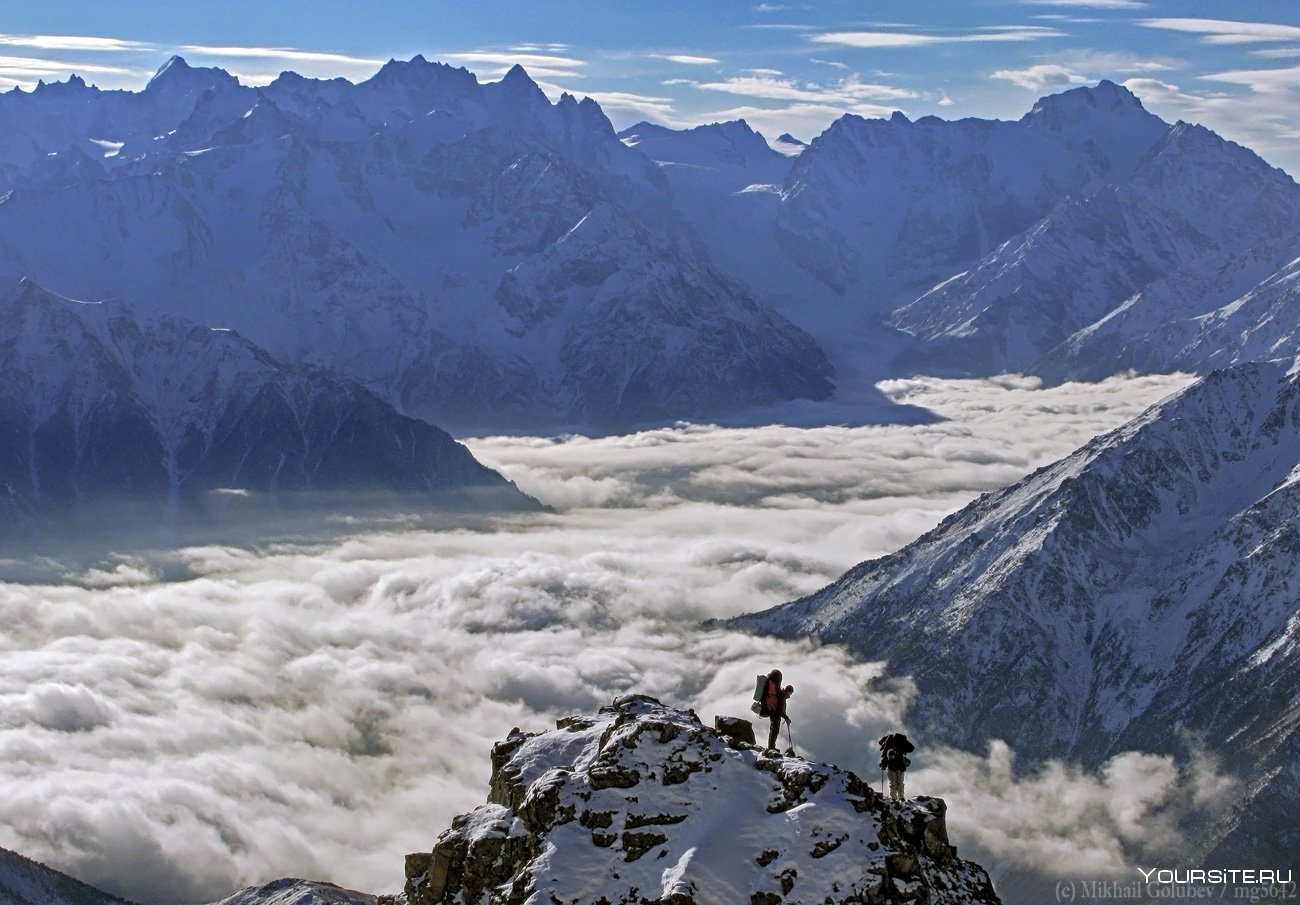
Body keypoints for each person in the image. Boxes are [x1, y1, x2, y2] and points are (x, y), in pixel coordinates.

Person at [760, 668, 794, 751]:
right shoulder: (781, 696)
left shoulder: (778, 692)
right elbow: (779, 710)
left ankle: (771, 746)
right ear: (789, 692)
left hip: (771, 710)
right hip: (775, 713)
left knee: (773, 729)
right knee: (775, 730)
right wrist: (786, 718)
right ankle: (771, 747)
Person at [879, 732, 915, 802]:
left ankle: (894, 798)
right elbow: (911, 748)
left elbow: (885, 759)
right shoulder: (899, 751)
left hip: (893, 767)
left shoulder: (888, 749)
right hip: (899, 768)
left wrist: (883, 765)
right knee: (899, 782)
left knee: (893, 783)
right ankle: (900, 797)